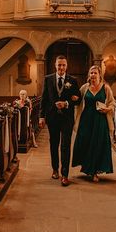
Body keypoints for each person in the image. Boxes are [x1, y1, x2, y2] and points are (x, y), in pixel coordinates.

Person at [39, 55, 81, 186]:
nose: (61, 67)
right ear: (55, 66)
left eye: (63, 65)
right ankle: (55, 169)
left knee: (65, 146)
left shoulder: (72, 80)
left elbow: (78, 98)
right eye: (59, 65)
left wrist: (67, 103)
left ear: (66, 66)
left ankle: (65, 174)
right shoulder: (48, 79)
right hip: (52, 117)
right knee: (54, 144)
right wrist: (41, 116)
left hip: (67, 118)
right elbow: (44, 99)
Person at [72, 66, 115, 182]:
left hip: (100, 119)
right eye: (91, 73)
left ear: (99, 75)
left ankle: (95, 171)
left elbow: (112, 103)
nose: (93, 75)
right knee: (85, 142)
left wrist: (107, 109)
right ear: (89, 75)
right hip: (86, 119)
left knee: (98, 144)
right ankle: (87, 167)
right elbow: (77, 100)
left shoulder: (106, 88)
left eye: (95, 73)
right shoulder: (84, 88)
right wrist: (73, 98)